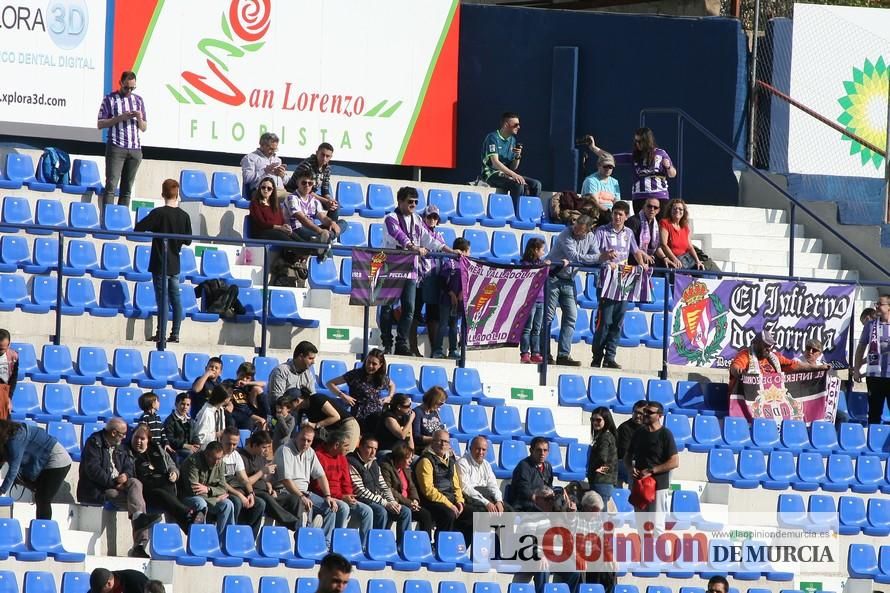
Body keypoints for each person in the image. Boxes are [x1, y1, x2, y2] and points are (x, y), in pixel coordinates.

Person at [381, 186, 456, 355]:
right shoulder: (390, 218)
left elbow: (429, 240)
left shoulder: (416, 219)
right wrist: (414, 247)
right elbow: (399, 235)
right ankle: (386, 342)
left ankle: (402, 344)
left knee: (409, 308)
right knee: (387, 307)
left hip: (410, 269)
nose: (413, 205)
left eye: (415, 202)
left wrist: (450, 251)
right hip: (391, 267)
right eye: (410, 202)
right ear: (400, 201)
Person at [77, 418, 159, 558]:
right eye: (122, 434)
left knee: (135, 483)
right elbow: (93, 471)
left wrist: (126, 475)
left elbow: (129, 465)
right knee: (139, 503)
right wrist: (114, 483)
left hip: (120, 486)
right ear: (114, 433)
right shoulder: (94, 443)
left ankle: (139, 518)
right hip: (101, 489)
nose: (125, 437)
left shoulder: (120, 446)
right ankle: (139, 545)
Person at [591, 201, 649, 369]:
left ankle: (610, 357)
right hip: (606, 280)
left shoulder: (629, 233)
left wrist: (642, 263)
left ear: (625, 216)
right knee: (605, 321)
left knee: (618, 322)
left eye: (620, 214)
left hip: (624, 281)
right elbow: (593, 253)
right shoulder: (601, 231)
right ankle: (597, 357)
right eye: (615, 213)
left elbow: (636, 251)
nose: (617, 217)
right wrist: (606, 256)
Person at [134, 179, 193, 343]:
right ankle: (175, 333)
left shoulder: (159, 213)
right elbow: (188, 240)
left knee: (163, 300)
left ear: (162, 194)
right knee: (176, 299)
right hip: (175, 263)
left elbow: (139, 227)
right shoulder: (184, 215)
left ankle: (161, 334)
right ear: (178, 194)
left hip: (160, 262)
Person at [274, 425, 349, 548]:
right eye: (303, 439)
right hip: (286, 491)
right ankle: (304, 543)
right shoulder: (284, 450)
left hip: (305, 492)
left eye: (309, 441)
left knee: (331, 508)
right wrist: (301, 496)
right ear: (296, 437)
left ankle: (324, 546)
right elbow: (286, 480)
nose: (306, 443)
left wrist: (328, 496)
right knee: (305, 506)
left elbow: (321, 476)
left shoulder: (310, 452)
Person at [545, 214, 601, 366]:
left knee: (571, 316)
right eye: (576, 228)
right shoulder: (565, 234)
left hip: (569, 279)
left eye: (580, 230)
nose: (576, 231)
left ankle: (563, 354)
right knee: (548, 317)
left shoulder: (591, 237)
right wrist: (598, 258)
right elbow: (574, 257)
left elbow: (595, 255)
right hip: (553, 277)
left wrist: (597, 258)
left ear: (588, 230)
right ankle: (544, 353)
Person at [584, 128, 677, 214]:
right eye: (635, 141)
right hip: (640, 197)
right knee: (641, 226)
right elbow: (610, 157)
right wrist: (593, 147)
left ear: (647, 141)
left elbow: (672, 174)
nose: (637, 144)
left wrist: (668, 167)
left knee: (660, 226)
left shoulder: (661, 153)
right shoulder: (634, 157)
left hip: (660, 196)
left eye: (640, 141)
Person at [129, 424, 203, 530]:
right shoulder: (128, 453)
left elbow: (171, 464)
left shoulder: (157, 449)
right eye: (136, 437)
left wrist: (174, 473)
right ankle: (188, 515)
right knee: (162, 493)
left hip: (166, 488)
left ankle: (188, 522)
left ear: (148, 440)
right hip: (146, 491)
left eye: (142, 438)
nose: (138, 441)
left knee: (167, 491)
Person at [624, 401, 678, 535]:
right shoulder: (639, 432)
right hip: (640, 485)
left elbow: (674, 461)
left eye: (649, 412)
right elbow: (627, 456)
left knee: (657, 526)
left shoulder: (665, 434)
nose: (644, 414)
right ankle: (645, 555)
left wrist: (652, 470)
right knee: (641, 526)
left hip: (658, 485)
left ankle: (659, 555)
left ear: (659, 415)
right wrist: (631, 468)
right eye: (644, 411)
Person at [347, 435, 412, 543]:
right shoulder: (352, 462)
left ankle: (403, 546)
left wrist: (392, 501)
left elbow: (384, 486)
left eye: (375, 449)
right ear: (361, 447)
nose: (373, 452)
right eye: (369, 448)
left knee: (405, 511)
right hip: (361, 499)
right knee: (381, 511)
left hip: (377, 499)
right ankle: (376, 544)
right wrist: (385, 503)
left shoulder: (374, 463)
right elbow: (360, 491)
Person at [0, 419, 71, 520]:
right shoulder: (9, 440)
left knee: (43, 498)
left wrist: (1, 490)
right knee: (39, 495)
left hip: (58, 460)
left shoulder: (15, 440)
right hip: (45, 461)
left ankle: (43, 527)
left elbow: (13, 470)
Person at [97, 70, 147, 209]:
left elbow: (144, 127)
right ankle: (107, 219)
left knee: (127, 188)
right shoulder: (110, 99)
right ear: (120, 83)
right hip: (116, 146)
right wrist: (119, 118)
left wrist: (138, 118)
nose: (129, 91)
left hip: (135, 148)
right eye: (126, 87)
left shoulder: (138, 100)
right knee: (112, 185)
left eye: (132, 88)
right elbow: (100, 124)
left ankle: (121, 220)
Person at [729, 329, 828, 394]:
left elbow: (797, 366)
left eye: (770, 345)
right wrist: (741, 373)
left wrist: (819, 368)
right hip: (749, 398)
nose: (768, 348)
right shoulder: (746, 355)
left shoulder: (775, 357)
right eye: (765, 345)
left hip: (772, 398)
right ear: (756, 344)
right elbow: (735, 367)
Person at [414, 429, 472, 538]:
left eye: (446, 441)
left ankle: (458, 545)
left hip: (449, 499)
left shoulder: (451, 461)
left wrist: (459, 501)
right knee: (448, 515)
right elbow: (428, 490)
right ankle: (440, 546)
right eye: (439, 441)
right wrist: (450, 505)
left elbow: (456, 485)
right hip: (431, 501)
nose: (442, 444)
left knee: (472, 515)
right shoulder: (425, 461)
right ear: (432, 442)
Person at [237, 430, 301, 530]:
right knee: (265, 497)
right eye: (263, 447)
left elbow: (264, 479)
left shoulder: (260, 456)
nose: (266, 450)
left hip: (265, 491)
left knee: (294, 499)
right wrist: (262, 471)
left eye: (268, 447)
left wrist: (270, 487)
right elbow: (244, 482)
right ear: (253, 445)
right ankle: (294, 523)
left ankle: (297, 529)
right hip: (251, 492)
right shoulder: (240, 457)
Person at [326, 348, 395, 433]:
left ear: (380, 365)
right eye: (368, 362)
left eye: (374, 364)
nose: (370, 366)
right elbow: (330, 383)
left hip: (375, 415)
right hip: (358, 415)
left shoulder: (381, 378)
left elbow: (392, 385)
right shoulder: (355, 375)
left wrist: (389, 397)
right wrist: (342, 395)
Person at [480, 112, 542, 204]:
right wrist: (514, 175)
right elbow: (495, 163)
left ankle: (528, 213)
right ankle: (514, 214)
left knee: (536, 184)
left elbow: (513, 167)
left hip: (507, 174)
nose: (519, 127)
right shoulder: (492, 137)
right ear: (506, 125)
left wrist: (518, 156)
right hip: (491, 174)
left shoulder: (512, 140)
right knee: (518, 185)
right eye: (516, 125)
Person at [178, 441, 236, 538]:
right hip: (188, 497)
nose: (217, 462)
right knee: (201, 503)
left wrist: (208, 490)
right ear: (206, 454)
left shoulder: (220, 463)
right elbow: (194, 490)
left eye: (219, 458)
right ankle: (201, 539)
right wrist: (216, 499)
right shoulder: (193, 462)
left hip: (208, 496)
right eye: (214, 458)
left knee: (228, 504)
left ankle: (221, 542)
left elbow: (222, 488)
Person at [410, 205, 446, 356]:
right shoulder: (418, 234)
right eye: (429, 217)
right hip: (419, 278)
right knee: (415, 313)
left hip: (434, 278)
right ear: (424, 218)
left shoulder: (440, 236)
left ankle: (435, 349)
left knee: (434, 315)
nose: (432, 220)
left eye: (435, 217)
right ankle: (412, 348)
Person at [219, 427, 266, 537]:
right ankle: (231, 536)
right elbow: (220, 481)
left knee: (260, 504)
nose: (231, 447)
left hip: (234, 486)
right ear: (221, 439)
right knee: (237, 501)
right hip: (221, 487)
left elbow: (244, 479)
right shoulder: (216, 453)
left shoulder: (236, 455)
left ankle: (248, 538)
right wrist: (240, 495)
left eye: (235, 444)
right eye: (228, 444)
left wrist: (250, 493)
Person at [379, 441, 433, 534]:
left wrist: (415, 499)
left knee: (426, 515)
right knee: (406, 511)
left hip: (410, 503)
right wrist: (409, 503)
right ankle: (403, 543)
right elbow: (390, 489)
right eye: (408, 458)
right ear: (400, 458)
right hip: (397, 502)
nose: (411, 461)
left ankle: (425, 543)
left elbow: (412, 486)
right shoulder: (386, 467)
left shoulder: (406, 469)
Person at [282, 169, 345, 249]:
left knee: (342, 223)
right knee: (323, 238)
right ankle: (326, 239)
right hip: (296, 230)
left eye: (310, 183)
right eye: (304, 183)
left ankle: (324, 239)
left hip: (312, 229)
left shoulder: (314, 200)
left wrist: (332, 223)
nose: (307, 185)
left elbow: (322, 217)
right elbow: (302, 219)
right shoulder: (291, 198)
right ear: (298, 183)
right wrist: (320, 231)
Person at [853, 295, 890, 424]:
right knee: (874, 413)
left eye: (880, 304)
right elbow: (861, 346)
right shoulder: (871, 325)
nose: (877, 306)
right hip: (874, 376)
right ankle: (873, 441)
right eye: (877, 303)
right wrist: (856, 369)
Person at [432, 237, 470, 359]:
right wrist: (451, 294)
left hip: (458, 302)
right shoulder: (450, 263)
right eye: (468, 251)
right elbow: (442, 281)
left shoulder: (467, 265)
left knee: (454, 325)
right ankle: (437, 350)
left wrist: (461, 293)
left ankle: (453, 350)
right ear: (462, 251)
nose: (469, 254)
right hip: (446, 301)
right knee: (443, 324)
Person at [291, 387, 361, 453]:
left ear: (297, 400)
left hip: (347, 425)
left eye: (289, 405)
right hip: (335, 431)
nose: (290, 409)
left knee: (345, 455)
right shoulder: (303, 410)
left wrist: (316, 425)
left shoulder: (317, 399)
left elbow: (336, 416)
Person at [285, 143, 341, 222]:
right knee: (325, 203)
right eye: (322, 155)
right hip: (295, 192)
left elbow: (325, 188)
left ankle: (329, 229)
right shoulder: (307, 166)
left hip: (310, 194)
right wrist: (325, 201)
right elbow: (305, 188)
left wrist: (329, 200)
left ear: (330, 157)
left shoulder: (327, 168)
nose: (324, 158)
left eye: (327, 156)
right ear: (317, 153)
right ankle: (325, 231)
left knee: (335, 206)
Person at [456, 436, 511, 514]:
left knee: (509, 510)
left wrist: (499, 501)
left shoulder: (486, 464)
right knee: (484, 513)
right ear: (470, 448)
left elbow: (493, 485)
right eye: (478, 449)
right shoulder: (462, 463)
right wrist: (486, 503)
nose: (481, 452)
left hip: (486, 495)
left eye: (483, 449)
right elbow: (466, 489)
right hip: (471, 498)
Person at [519, 238, 549, 364]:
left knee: (537, 328)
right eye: (542, 250)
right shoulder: (525, 264)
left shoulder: (541, 263)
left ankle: (535, 352)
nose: (543, 252)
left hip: (541, 299)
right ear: (535, 250)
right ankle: (525, 353)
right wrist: (543, 265)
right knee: (527, 327)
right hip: (529, 300)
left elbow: (551, 273)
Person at [248, 176, 304, 243]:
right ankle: (309, 249)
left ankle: (312, 248)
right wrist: (280, 228)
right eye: (263, 187)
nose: (266, 190)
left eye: (269, 188)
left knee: (292, 234)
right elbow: (261, 223)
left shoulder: (275, 203)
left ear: (272, 190)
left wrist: (285, 225)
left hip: (276, 230)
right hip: (262, 232)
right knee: (283, 236)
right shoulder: (255, 203)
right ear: (260, 188)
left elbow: (281, 219)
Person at [508, 437, 554, 511]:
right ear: (531, 450)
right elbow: (524, 490)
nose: (542, 453)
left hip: (543, 503)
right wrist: (538, 498)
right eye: (539, 450)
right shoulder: (523, 466)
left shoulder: (548, 466)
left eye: (545, 450)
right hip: (524, 505)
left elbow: (550, 486)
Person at [659, 198, 704, 270]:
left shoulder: (685, 227)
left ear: (684, 212)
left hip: (685, 261)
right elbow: (664, 244)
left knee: (702, 270)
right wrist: (674, 259)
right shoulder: (665, 223)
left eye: (680, 209)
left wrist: (697, 261)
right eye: (675, 208)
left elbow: (690, 247)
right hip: (672, 262)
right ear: (670, 210)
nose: (677, 210)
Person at [587, 407, 618, 505]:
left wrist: (592, 469)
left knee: (600, 515)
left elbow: (602, 458)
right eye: (593, 419)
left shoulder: (604, 437)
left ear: (606, 420)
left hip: (602, 481)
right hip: (604, 481)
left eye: (598, 420)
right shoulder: (605, 436)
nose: (595, 422)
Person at [580, 152, 621, 225]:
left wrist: (616, 212)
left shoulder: (615, 182)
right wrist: (609, 211)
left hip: (611, 213)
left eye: (610, 167)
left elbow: (617, 201)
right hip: (596, 212)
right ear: (598, 166)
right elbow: (594, 202)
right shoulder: (591, 180)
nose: (608, 169)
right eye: (605, 166)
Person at [241, 132, 287, 197]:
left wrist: (282, 176)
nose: (273, 152)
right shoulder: (250, 158)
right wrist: (264, 171)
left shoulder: (278, 160)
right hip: (262, 191)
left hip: (281, 191)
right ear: (262, 145)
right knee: (291, 200)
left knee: (299, 198)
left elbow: (286, 182)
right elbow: (247, 179)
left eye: (275, 149)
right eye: (270, 149)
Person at [625, 196, 667, 266]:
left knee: (666, 265)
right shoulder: (633, 221)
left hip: (648, 259)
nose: (652, 209)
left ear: (658, 211)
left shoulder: (656, 225)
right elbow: (631, 245)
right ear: (644, 207)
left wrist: (665, 258)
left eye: (655, 207)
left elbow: (656, 247)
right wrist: (644, 255)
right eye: (649, 206)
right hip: (632, 261)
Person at [231, 362, 269, 431]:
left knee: (257, 389)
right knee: (261, 421)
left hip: (250, 412)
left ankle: (269, 417)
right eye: (242, 375)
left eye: (247, 378)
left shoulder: (248, 386)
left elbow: (264, 384)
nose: (244, 379)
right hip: (238, 411)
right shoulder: (230, 383)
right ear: (237, 373)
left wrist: (247, 383)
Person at [615, 401, 646, 488]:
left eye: (641, 413)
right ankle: (633, 495)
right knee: (634, 465)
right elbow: (625, 453)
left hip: (640, 462)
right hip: (622, 462)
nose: (637, 416)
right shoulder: (625, 428)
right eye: (635, 412)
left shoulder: (648, 428)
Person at [164, 393, 200, 463]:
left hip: (189, 447)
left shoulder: (190, 420)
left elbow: (194, 435)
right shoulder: (170, 420)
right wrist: (185, 445)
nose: (185, 407)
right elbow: (170, 438)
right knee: (190, 453)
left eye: (188, 405)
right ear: (176, 404)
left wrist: (197, 444)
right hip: (177, 449)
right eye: (182, 404)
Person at [193, 384, 232, 448]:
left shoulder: (220, 409)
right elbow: (200, 438)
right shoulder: (206, 413)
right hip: (207, 451)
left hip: (220, 448)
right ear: (226, 399)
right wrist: (217, 434)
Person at [411, 387, 446, 456]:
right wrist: (435, 440)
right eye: (440, 403)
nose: (440, 407)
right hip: (422, 450)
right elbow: (416, 437)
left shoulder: (435, 413)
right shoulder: (417, 413)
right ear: (433, 400)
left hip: (436, 449)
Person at [0, 329, 18, 420]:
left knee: (5, 423)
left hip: (4, 391)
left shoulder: (13, 356)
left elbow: (13, 378)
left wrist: (9, 397)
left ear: (9, 344)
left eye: (2, 349)